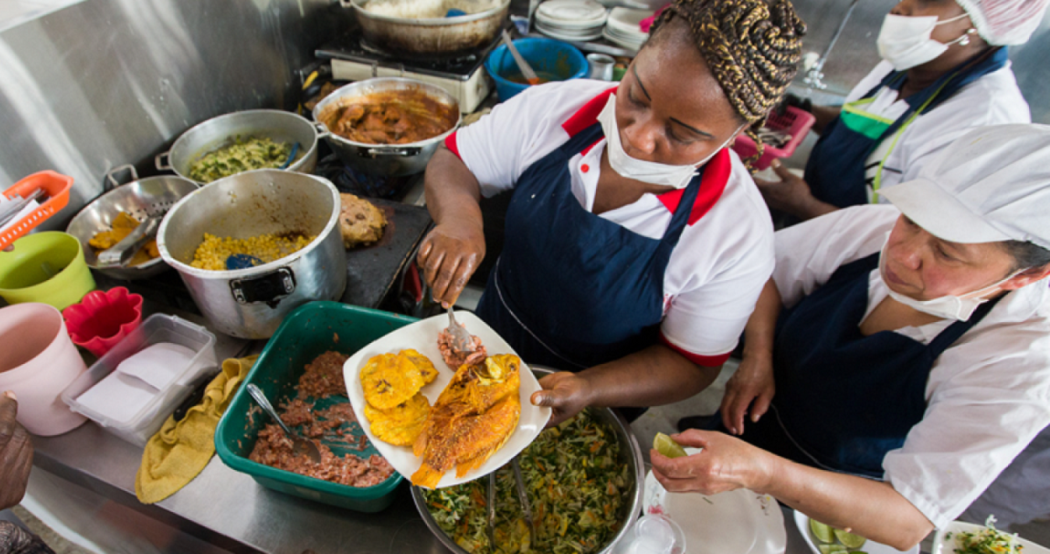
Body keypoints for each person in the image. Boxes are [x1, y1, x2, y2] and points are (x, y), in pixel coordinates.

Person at [657, 125, 1050, 551]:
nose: (903, 253)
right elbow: (762, 272)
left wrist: (763, 472)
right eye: (913, 221)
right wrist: (759, 355)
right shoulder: (872, 230)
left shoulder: (1020, 359)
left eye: (947, 253)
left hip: (832, 503)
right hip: (746, 426)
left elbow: (906, 518)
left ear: (1026, 276)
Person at [417, 0, 805, 425]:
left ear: (735, 134)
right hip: (488, 338)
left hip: (590, 405)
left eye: (680, 134)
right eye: (636, 96)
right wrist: (460, 219)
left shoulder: (734, 233)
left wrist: (590, 388)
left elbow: (692, 363)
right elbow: (456, 160)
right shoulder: (557, 110)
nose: (638, 137)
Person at [756, 0, 1048, 221]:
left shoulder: (985, 119)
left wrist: (805, 207)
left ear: (975, 26)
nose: (900, 7)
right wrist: (805, 110)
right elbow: (866, 126)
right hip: (815, 217)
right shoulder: (912, 63)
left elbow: (919, 234)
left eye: (927, 0)